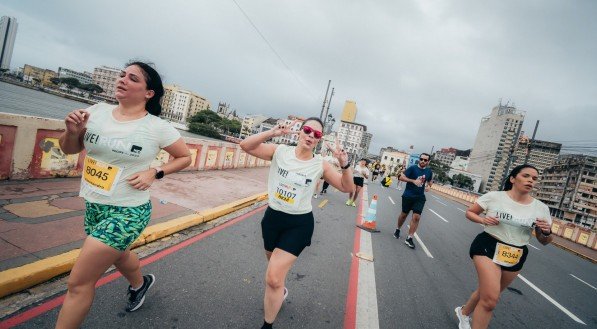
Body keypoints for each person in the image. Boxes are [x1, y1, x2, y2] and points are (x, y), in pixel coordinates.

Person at [55, 61, 192, 328]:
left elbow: (185, 157)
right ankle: (140, 284)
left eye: (132, 78)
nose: (122, 80)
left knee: (78, 283)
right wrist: (71, 133)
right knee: (119, 254)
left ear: (148, 93)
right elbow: (69, 149)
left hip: (128, 211)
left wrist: (155, 172)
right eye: (121, 75)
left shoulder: (156, 127)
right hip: (95, 205)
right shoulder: (96, 112)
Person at [240, 117, 354, 329]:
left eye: (317, 134)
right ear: (300, 132)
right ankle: (280, 292)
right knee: (274, 272)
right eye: (308, 131)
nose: (311, 136)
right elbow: (245, 146)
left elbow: (347, 187)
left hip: (299, 224)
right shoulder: (280, 151)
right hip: (272, 220)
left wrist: (344, 164)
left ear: (319, 140)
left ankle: (267, 325)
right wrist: (271, 133)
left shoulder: (320, 164)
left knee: (273, 277)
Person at [455, 164, 553, 329]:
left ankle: (463, 313)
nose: (531, 180)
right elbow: (470, 212)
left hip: (517, 253)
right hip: (488, 245)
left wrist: (546, 231)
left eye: (534, 178)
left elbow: (545, 241)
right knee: (490, 300)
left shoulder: (541, 208)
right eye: (526, 176)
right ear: (513, 179)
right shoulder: (495, 197)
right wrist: (483, 220)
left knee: (486, 292)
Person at [393, 153, 433, 248]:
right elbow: (401, 177)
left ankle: (409, 238)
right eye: (421, 159)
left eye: (425, 160)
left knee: (416, 217)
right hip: (408, 195)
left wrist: (429, 186)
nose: (423, 161)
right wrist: (413, 181)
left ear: (428, 161)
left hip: (420, 197)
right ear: (419, 159)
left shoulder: (429, 171)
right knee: (403, 215)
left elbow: (430, 181)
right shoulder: (412, 168)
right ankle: (398, 229)